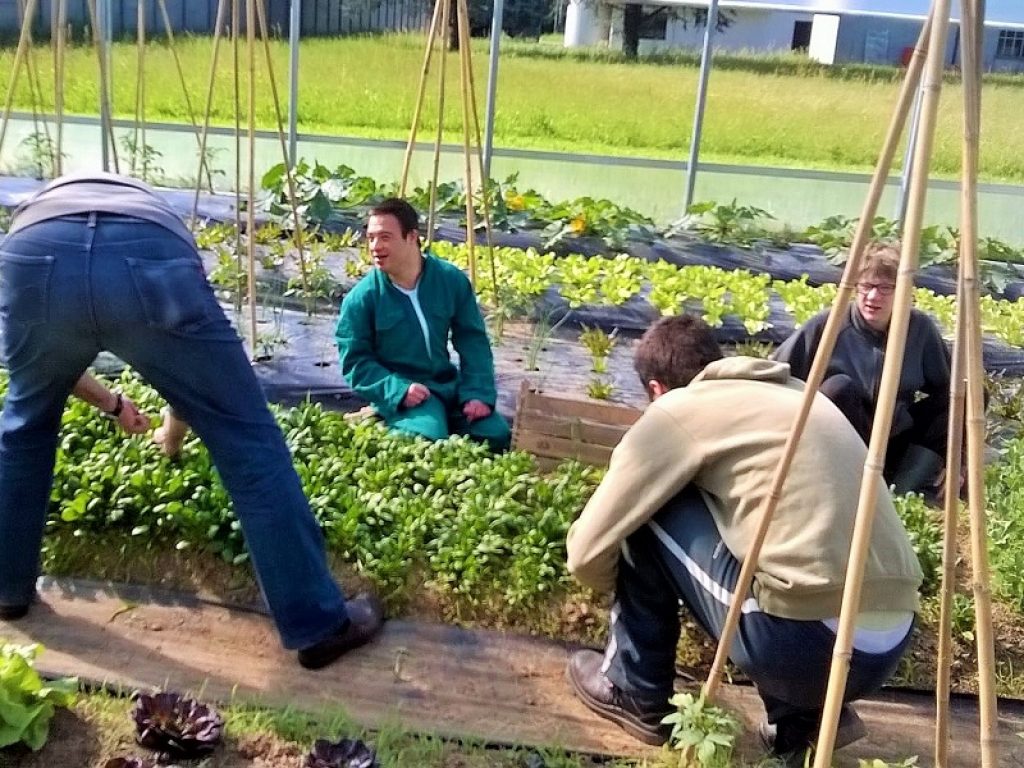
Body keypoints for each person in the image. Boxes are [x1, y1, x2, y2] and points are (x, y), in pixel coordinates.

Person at [0, 172, 383, 670]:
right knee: (245, 437)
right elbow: (194, 381)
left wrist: (114, 405)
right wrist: (169, 423)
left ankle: (6, 589)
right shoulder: (155, 218)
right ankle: (318, 624)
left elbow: (51, 370)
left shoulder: (41, 210)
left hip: (34, 251)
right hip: (145, 251)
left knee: (26, 425)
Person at [565, 314, 923, 761]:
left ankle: (633, 690)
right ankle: (803, 717)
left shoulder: (679, 410)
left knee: (649, 510)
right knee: (778, 545)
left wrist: (622, 583)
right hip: (888, 642)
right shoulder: (800, 395)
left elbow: (586, 551)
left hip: (806, 645)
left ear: (656, 389)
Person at [773, 242, 953, 498]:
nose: (872, 297)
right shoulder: (828, 326)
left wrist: (956, 457)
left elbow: (948, 390)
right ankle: (846, 484)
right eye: (866, 286)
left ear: (904, 292)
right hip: (842, 440)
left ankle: (900, 491)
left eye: (885, 288)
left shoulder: (919, 329)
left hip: (894, 439)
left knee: (963, 396)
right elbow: (778, 374)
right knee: (839, 387)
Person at [336, 198, 510, 451]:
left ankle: (439, 419)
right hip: (408, 392)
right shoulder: (362, 298)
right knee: (425, 439)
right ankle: (382, 418)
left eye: (385, 237)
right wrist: (398, 391)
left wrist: (477, 393)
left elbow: (473, 341)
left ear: (411, 237)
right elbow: (356, 362)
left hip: (448, 385)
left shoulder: (449, 280)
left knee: (495, 434)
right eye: (371, 238)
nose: (375, 246)